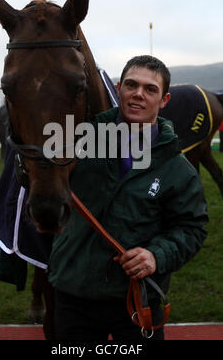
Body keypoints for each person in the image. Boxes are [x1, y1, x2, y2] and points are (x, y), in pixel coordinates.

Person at [48, 55, 208, 341]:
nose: (138, 94)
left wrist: (156, 255)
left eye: (150, 89)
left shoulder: (177, 167)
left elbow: (192, 228)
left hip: (138, 298)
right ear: (119, 88)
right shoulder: (79, 140)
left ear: (164, 100)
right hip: (75, 294)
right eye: (131, 85)